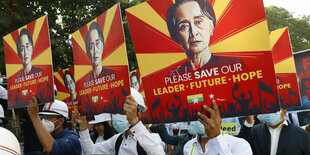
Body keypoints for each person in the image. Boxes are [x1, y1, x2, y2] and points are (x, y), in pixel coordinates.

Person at [73, 88, 165, 155]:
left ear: (138, 114)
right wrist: (83, 127)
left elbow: (157, 152)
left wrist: (134, 123)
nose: (117, 115)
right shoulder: (118, 139)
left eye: (123, 112)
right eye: (115, 111)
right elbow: (91, 151)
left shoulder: (153, 138)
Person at [166, 0, 243, 76]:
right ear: (175, 36)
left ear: (211, 26)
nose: (193, 32)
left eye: (198, 22)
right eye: (184, 26)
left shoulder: (234, 66)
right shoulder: (175, 76)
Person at [183, 100, 252, 155]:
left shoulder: (239, 144)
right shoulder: (188, 146)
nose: (200, 120)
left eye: (206, 115)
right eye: (197, 116)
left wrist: (215, 138)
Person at [238, 109, 310, 155]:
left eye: (274, 110)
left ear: (284, 112)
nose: (269, 113)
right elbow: (239, 147)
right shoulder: (255, 131)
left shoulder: (301, 135)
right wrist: (249, 123)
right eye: (267, 109)